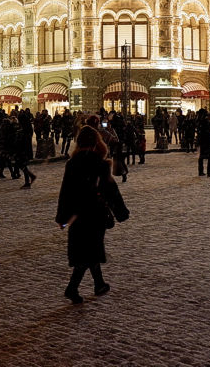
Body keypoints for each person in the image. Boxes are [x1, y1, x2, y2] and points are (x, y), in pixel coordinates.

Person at [55, 125, 128, 304]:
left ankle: (99, 283)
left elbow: (65, 191)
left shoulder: (71, 164)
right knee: (90, 251)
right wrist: (121, 212)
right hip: (95, 214)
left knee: (87, 249)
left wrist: (62, 217)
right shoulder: (100, 164)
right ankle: (72, 288)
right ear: (97, 143)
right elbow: (111, 190)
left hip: (77, 215)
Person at [196, 108, 210, 177]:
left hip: (201, 141)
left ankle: (201, 171)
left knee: (201, 157)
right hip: (206, 141)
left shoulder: (199, 121)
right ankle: (209, 171)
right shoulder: (204, 121)